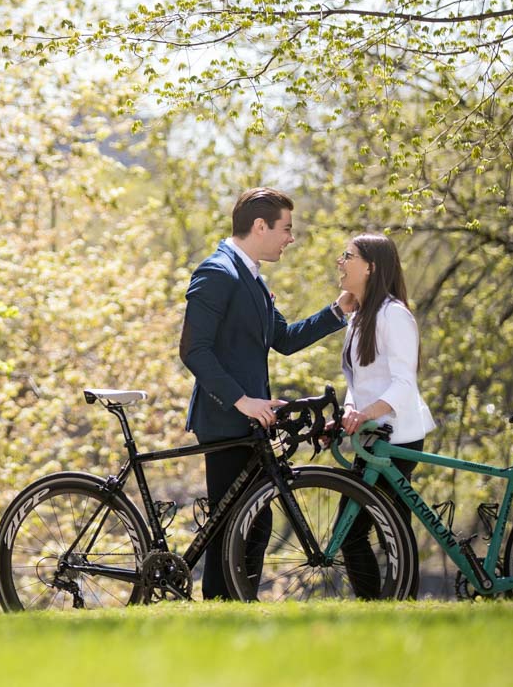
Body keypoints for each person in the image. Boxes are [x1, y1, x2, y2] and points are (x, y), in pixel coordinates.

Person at [179, 187, 356, 600]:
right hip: (226, 420)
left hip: (251, 422)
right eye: (286, 229)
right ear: (260, 226)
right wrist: (242, 400)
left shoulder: (252, 277)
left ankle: (234, 606)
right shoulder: (217, 272)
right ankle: (224, 608)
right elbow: (193, 350)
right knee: (235, 529)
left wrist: (337, 311)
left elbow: (285, 339)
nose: (290, 238)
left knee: (250, 525)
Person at [334, 232, 437, 598]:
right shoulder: (360, 316)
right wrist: (350, 408)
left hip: (397, 435)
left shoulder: (393, 315)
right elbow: (360, 380)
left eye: (348, 256)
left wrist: (365, 413)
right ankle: (392, 603)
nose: (340, 263)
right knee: (384, 524)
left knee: (363, 529)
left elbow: (402, 384)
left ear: (371, 267)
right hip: (372, 434)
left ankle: (386, 604)